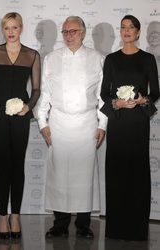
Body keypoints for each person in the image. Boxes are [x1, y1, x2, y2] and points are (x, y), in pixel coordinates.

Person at [37, 16, 107, 239]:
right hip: (58, 123)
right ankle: (60, 224)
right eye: (65, 31)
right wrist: (42, 123)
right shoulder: (51, 58)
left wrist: (102, 124)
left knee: (84, 176)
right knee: (59, 175)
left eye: (73, 31)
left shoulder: (98, 59)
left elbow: (102, 97)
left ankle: (84, 225)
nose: (69, 36)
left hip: (87, 123)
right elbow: (45, 93)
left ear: (84, 33)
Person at [100, 15, 160, 241]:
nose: (126, 31)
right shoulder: (111, 59)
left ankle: (137, 229)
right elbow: (105, 92)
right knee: (116, 171)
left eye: (131, 28)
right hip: (118, 122)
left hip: (138, 122)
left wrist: (143, 100)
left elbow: (155, 91)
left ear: (138, 33)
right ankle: (115, 229)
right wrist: (117, 102)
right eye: (123, 27)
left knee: (137, 172)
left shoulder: (147, 59)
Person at [0, 12, 41, 239]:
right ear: (3, 30)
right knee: (4, 166)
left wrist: (29, 107)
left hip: (20, 118)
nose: (10, 32)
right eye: (7, 27)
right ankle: (2, 215)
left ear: (21, 28)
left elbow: (36, 89)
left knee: (18, 165)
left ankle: (15, 215)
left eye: (14, 27)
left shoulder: (32, 55)